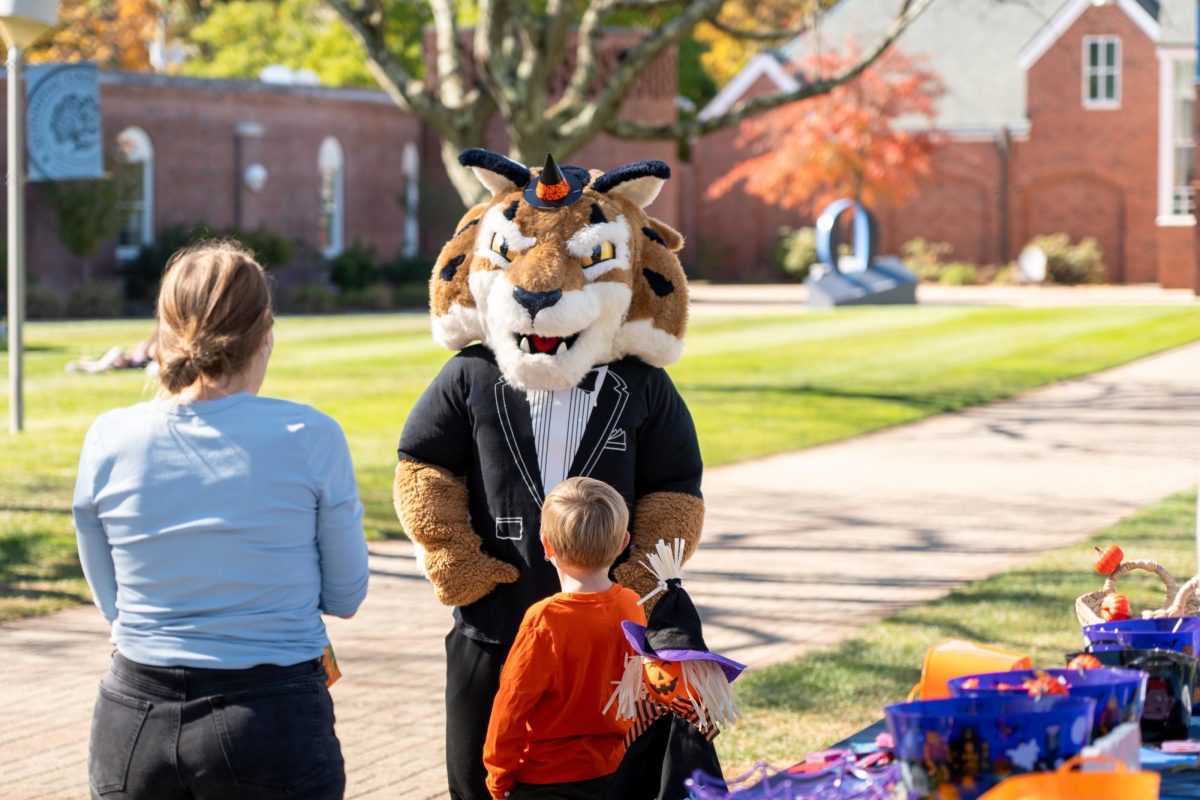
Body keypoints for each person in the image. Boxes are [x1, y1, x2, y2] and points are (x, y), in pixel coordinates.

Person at [71, 241, 369, 800]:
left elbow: (111, 599)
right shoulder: (309, 436)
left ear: (164, 331)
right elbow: (347, 594)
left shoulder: (109, 437)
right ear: (265, 333)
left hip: (133, 715)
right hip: (269, 714)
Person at [483, 477, 647, 800]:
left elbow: (511, 705)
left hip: (547, 779)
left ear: (546, 545)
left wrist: (498, 777)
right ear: (622, 543)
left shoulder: (545, 620)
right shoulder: (633, 605)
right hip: (615, 772)